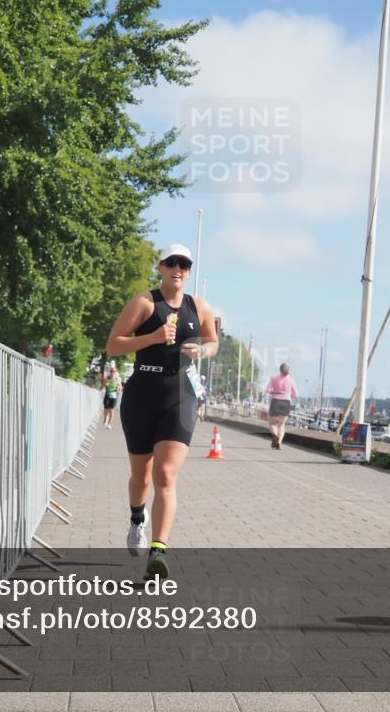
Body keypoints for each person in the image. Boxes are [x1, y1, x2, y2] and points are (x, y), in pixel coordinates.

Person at [106, 244, 218, 580]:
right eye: (171, 262)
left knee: (166, 475)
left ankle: (159, 551)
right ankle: (137, 519)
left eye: (184, 264)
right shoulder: (144, 303)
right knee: (141, 476)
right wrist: (153, 337)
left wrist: (203, 350)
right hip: (142, 395)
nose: (178, 269)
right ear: (160, 267)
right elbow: (113, 344)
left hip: (180, 397)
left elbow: (213, 341)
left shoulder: (199, 307)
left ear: (189, 271)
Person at [265, 363, 298, 450]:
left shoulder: (273, 378)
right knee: (281, 425)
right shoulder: (291, 380)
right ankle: (279, 442)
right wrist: (287, 393)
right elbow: (295, 395)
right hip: (286, 402)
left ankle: (275, 435)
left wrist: (275, 392)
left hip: (276, 401)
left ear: (280, 370)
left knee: (272, 423)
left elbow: (268, 390)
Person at [102, 365, 121, 429]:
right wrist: (106, 384)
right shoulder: (107, 377)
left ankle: (110, 424)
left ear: (116, 372)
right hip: (107, 394)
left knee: (112, 410)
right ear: (110, 372)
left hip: (114, 396)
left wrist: (118, 388)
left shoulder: (117, 379)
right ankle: (105, 418)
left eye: (114, 371)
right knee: (106, 408)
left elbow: (120, 387)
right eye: (111, 371)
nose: (112, 372)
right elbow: (104, 385)